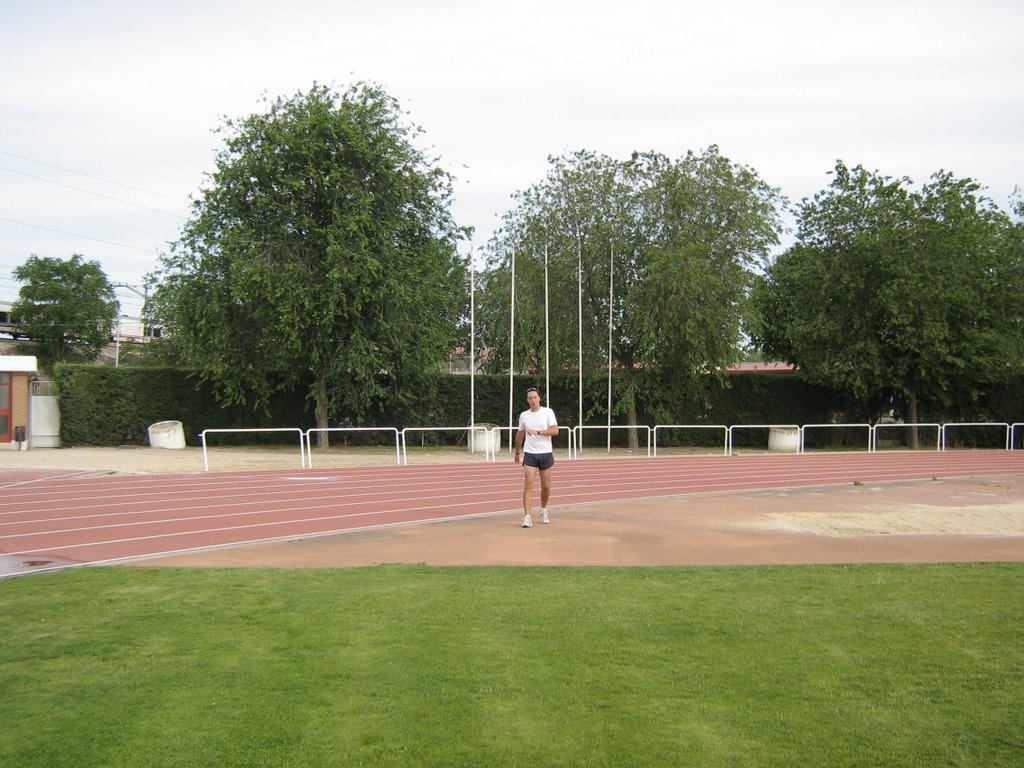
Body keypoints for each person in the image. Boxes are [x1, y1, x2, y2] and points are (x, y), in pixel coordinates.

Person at [514, 386, 559, 527]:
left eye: (535, 397)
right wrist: (517, 452)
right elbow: (520, 433)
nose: (533, 400)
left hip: (545, 453)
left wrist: (538, 432)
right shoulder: (524, 415)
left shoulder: (548, 412)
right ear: (527, 400)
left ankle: (543, 509)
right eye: (530, 398)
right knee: (528, 483)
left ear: (539, 398)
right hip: (530, 454)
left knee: (545, 486)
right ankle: (527, 515)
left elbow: (555, 430)